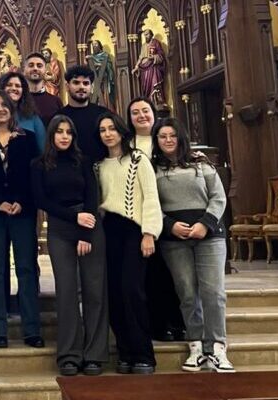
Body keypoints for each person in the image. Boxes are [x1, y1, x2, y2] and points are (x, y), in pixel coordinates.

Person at [152, 118, 234, 373]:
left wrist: (205, 224)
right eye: (162, 136)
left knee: (213, 292)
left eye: (172, 135)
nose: (168, 140)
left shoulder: (201, 162)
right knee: (187, 292)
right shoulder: (153, 167)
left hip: (208, 234)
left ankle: (217, 347)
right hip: (175, 238)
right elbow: (151, 203)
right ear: (156, 140)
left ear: (181, 137)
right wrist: (169, 225)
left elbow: (218, 196)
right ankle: (197, 345)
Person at [31, 115, 108, 376]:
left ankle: (95, 353)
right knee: (66, 291)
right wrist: (72, 218)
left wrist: (86, 232)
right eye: (59, 132)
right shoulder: (39, 165)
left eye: (69, 132)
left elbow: (92, 195)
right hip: (60, 227)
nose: (64, 136)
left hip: (89, 225)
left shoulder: (83, 161)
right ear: (51, 135)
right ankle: (69, 354)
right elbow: (40, 199)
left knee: (94, 290)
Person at [0, 90, 43, 350]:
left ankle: (31, 329)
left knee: (25, 269)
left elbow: (34, 174)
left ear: (13, 109)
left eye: (5, 105)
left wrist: (21, 201)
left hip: (23, 212)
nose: (0, 109)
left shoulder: (28, 138)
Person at [96, 112, 161, 375]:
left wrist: (149, 233)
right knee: (113, 293)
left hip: (133, 230)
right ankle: (125, 351)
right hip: (108, 230)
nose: (108, 134)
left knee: (132, 290)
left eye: (112, 128)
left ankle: (143, 353)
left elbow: (151, 197)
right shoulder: (99, 165)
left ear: (122, 131)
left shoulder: (137, 160)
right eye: (103, 130)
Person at [127, 96, 186, 342]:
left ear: (153, 114)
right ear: (129, 118)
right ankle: (156, 324)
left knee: (172, 274)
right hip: (139, 217)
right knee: (149, 275)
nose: (141, 116)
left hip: (170, 213)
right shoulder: (127, 144)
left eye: (145, 111)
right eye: (135, 112)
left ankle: (177, 323)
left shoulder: (164, 139)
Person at [0, 72, 46, 151]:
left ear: (23, 91)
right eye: (9, 85)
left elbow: (43, 151)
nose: (13, 88)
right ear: (1, 88)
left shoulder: (32, 118)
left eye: (18, 86)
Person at [56, 65, 110, 164]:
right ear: (67, 86)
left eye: (86, 83)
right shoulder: (58, 117)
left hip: (101, 170)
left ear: (92, 87)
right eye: (76, 82)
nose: (81, 87)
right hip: (71, 172)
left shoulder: (104, 114)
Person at [24, 52, 63, 128]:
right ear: (24, 70)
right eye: (31, 65)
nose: (35, 68)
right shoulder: (16, 101)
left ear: (45, 70)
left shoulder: (56, 102)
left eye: (39, 65)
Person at [133, 30, 167, 109]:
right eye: (144, 35)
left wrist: (153, 57)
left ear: (151, 35)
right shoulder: (143, 45)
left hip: (153, 67)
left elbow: (161, 55)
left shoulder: (156, 43)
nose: (146, 36)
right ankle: (149, 102)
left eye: (147, 34)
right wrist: (136, 67)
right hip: (144, 69)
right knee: (146, 87)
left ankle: (157, 102)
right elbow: (140, 58)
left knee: (155, 84)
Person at [86, 40, 115, 109]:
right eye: (93, 45)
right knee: (95, 95)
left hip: (104, 78)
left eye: (96, 44)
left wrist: (98, 64)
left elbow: (108, 66)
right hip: (94, 79)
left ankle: (105, 108)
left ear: (99, 45)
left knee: (104, 96)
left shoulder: (105, 55)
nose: (94, 46)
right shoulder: (91, 57)